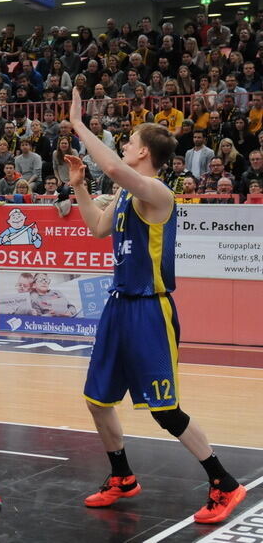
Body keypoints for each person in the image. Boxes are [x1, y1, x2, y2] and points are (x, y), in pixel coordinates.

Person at [66, 88, 246, 523]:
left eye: (128, 142)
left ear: (143, 152)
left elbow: (109, 163)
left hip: (150, 310)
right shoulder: (125, 195)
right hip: (118, 306)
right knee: (97, 399)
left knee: (165, 410)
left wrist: (78, 124)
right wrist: (79, 189)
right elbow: (96, 228)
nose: (123, 147)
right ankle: (121, 476)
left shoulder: (156, 193)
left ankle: (225, 482)